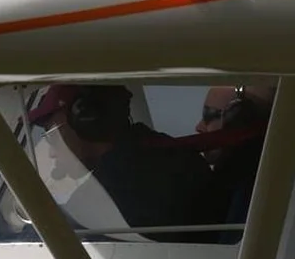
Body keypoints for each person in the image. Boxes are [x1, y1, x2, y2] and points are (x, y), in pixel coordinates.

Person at [28, 84, 225, 242]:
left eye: (51, 136)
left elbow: (63, 239)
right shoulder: (170, 155)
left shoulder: (118, 185)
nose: (52, 152)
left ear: (87, 118)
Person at [195, 85, 276, 242]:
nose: (198, 127)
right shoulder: (253, 178)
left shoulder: (248, 187)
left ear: (238, 118)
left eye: (208, 116)